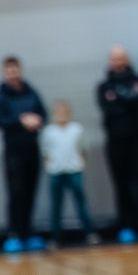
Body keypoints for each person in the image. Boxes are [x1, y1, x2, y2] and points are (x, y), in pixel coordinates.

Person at [96, 47, 138, 243]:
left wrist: (121, 98)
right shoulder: (104, 86)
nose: (119, 62)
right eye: (115, 58)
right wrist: (129, 98)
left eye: (121, 58)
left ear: (127, 59)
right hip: (116, 143)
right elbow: (109, 109)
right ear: (110, 61)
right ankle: (127, 226)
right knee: (122, 186)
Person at [0, 57, 47, 252]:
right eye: (9, 71)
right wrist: (20, 120)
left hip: (31, 149)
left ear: (20, 70)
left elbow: (44, 114)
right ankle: (14, 233)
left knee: (31, 192)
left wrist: (37, 120)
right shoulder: (1, 97)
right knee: (16, 193)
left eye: (15, 70)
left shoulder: (32, 93)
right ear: (4, 73)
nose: (13, 74)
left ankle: (28, 232)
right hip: (13, 153)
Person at [41, 99, 96, 245]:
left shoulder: (76, 129)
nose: (61, 115)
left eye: (64, 112)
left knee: (81, 202)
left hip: (74, 170)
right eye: (58, 112)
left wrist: (81, 163)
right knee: (56, 206)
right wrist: (49, 165)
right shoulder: (49, 131)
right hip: (56, 171)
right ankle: (55, 237)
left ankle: (89, 232)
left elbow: (83, 148)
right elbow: (45, 151)